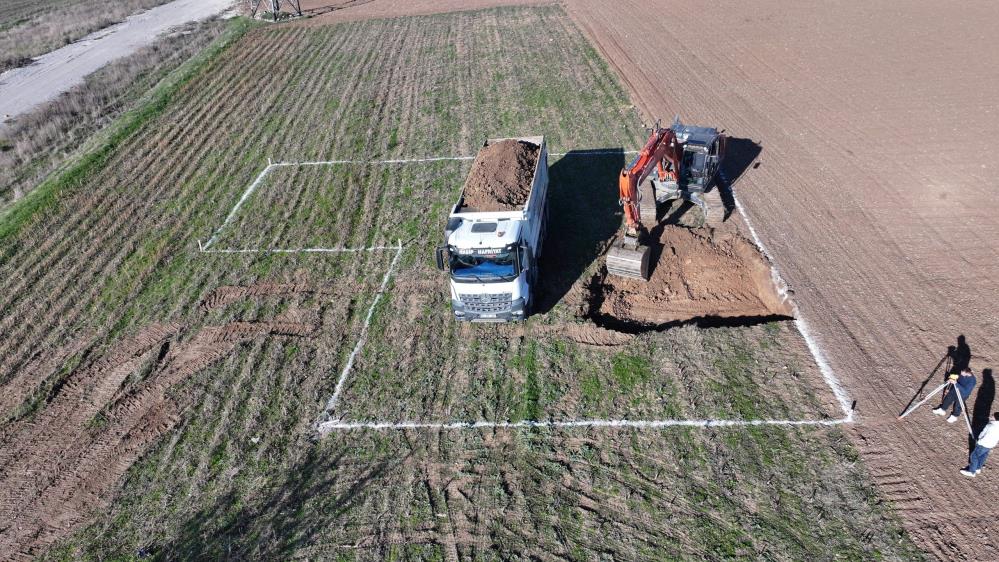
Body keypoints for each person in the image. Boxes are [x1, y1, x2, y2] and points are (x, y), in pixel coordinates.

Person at [961, 412, 999, 477]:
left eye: (992, 416)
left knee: (974, 456)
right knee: (983, 456)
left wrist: (979, 439)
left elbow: (983, 433)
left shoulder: (989, 425)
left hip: (983, 443)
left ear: (995, 419)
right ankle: (978, 468)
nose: (991, 416)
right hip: (991, 444)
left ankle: (972, 471)